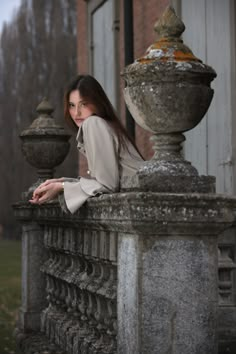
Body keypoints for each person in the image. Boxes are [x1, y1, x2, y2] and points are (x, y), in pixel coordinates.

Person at [30, 74, 143, 213]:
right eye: (72, 105)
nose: (76, 112)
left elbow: (107, 185)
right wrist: (61, 182)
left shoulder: (93, 123)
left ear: (97, 103)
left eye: (83, 104)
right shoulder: (106, 124)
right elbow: (107, 182)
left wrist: (62, 186)